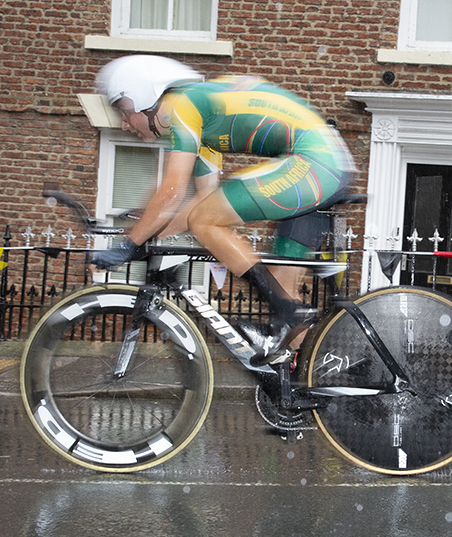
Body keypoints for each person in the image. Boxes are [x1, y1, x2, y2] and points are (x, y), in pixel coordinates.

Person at [92, 54, 356, 364]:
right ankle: (316, 376)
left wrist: (130, 244)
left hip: (315, 161)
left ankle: (288, 313)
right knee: (283, 293)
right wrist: (142, 232)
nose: (124, 124)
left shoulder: (183, 106)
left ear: (146, 98)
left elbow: (173, 191)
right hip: (322, 165)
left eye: (124, 112)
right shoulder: (199, 128)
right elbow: (202, 200)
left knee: (211, 226)